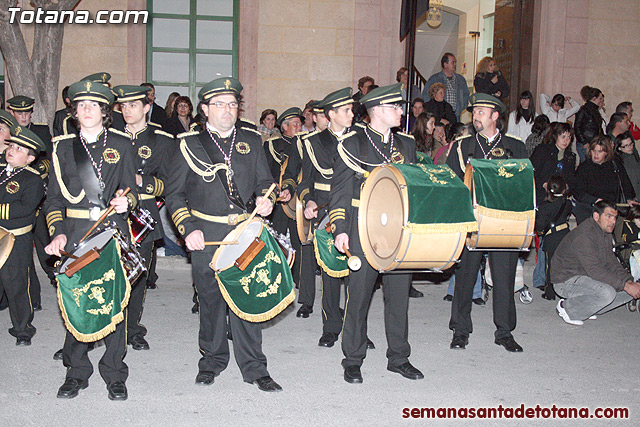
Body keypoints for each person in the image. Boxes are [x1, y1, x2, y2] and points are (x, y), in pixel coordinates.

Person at [164, 77, 281, 392]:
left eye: (232, 104)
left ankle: (255, 367)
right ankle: (212, 361)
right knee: (211, 301)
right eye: (219, 104)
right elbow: (174, 196)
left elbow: (265, 180)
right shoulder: (188, 144)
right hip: (207, 233)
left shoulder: (252, 140)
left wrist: (266, 198)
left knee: (247, 297)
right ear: (204, 109)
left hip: (245, 231)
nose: (227, 110)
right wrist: (188, 230)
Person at [44, 80, 138, 400]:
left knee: (114, 303)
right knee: (78, 302)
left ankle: (114, 372)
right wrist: (57, 233)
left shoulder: (123, 144)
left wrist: (129, 202)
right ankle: (77, 371)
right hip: (74, 234)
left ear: (104, 111)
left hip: (111, 231)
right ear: (74, 111)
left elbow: (132, 189)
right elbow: (54, 201)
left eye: (93, 105)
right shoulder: (61, 147)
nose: (86, 110)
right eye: (80, 105)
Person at [331, 82, 423, 384]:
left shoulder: (406, 144)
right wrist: (340, 230)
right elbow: (341, 191)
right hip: (362, 227)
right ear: (377, 110)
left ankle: (399, 357)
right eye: (395, 107)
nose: (401, 111)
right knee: (358, 297)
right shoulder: (352, 143)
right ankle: (353, 358)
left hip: (399, 231)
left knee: (398, 297)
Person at [447, 93, 528, 353]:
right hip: (471, 222)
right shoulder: (462, 146)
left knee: (504, 278)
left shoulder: (516, 147)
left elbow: (523, 184)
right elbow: (451, 182)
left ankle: (504, 332)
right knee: (465, 276)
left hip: (503, 222)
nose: (476, 116)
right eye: (474, 112)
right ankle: (460, 329)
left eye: (481, 112)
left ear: (495, 116)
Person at [114, 85, 173, 351]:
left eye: (133, 106)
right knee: (108, 274)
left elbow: (169, 184)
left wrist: (140, 181)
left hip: (143, 217)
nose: (127, 111)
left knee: (137, 276)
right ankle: (102, 327)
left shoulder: (161, 140)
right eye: (123, 106)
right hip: (113, 214)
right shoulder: (110, 138)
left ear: (147, 107)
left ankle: (132, 329)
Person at [297, 88, 354, 347]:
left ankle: (356, 327)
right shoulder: (313, 142)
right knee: (331, 272)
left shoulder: (361, 139)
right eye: (346, 111)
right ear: (331, 115)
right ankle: (331, 325)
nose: (352, 115)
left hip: (357, 211)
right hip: (326, 211)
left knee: (358, 276)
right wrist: (308, 200)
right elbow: (305, 182)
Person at [551, 201, 640, 325]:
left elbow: (611, 262)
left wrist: (628, 281)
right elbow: (595, 270)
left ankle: (588, 308)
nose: (613, 221)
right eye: (608, 216)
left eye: (615, 217)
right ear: (596, 216)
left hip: (586, 276)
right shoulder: (585, 235)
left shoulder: (605, 233)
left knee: (631, 290)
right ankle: (567, 308)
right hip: (565, 280)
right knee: (607, 293)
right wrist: (625, 285)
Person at [0, 126, 45, 346]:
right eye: (11, 146)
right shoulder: (0, 170)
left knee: (16, 283)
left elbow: (24, 208)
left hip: (15, 239)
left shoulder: (32, 179)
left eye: (19, 149)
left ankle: (23, 329)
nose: (11, 151)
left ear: (29, 158)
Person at [573, 135, 636, 224]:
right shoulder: (584, 168)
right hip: (590, 210)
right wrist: (595, 200)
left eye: (600, 151)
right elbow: (578, 191)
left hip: (611, 209)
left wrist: (629, 199)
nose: (596, 154)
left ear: (606, 152)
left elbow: (625, 183)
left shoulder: (614, 164)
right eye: (594, 151)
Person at [534, 175, 572, 300]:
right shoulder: (567, 203)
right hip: (565, 235)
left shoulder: (545, 205)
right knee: (564, 264)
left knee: (549, 266)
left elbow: (539, 224)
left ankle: (550, 292)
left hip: (551, 237)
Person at [530, 121, 577, 204]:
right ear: (556, 136)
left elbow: (571, 178)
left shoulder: (570, 156)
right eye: (563, 137)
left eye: (568, 138)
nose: (565, 141)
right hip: (541, 193)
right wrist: (544, 184)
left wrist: (566, 187)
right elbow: (532, 172)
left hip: (561, 196)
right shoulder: (543, 150)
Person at [422, 53, 470, 121]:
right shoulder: (434, 79)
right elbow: (425, 96)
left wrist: (460, 108)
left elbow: (466, 95)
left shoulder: (460, 80)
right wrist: (434, 112)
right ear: (445, 64)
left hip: (455, 117)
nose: (455, 64)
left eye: (455, 62)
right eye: (452, 62)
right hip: (439, 117)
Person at [574, 86, 605, 162]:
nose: (601, 101)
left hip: (594, 142)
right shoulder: (583, 110)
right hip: (585, 143)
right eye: (600, 99)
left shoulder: (596, 111)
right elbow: (577, 127)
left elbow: (599, 127)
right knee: (586, 164)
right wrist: (584, 142)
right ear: (594, 98)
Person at [615, 131, 640, 198]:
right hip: (634, 194)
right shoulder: (623, 160)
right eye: (626, 146)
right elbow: (633, 179)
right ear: (619, 148)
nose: (630, 147)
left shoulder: (633, 156)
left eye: (631, 144)